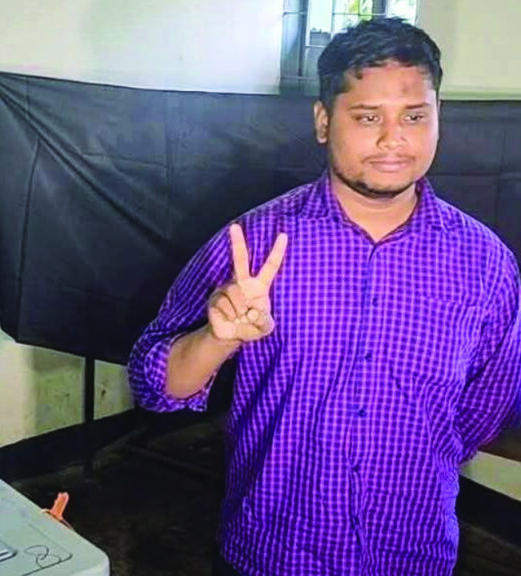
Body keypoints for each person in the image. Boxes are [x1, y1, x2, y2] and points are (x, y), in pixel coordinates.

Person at [128, 18, 521, 576]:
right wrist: (215, 340)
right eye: (367, 117)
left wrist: (416, 458)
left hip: (412, 554)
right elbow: (155, 385)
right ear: (322, 121)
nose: (393, 139)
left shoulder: (485, 265)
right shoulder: (255, 243)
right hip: (271, 553)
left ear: (439, 118)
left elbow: (486, 406)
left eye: (414, 116)